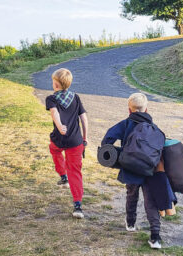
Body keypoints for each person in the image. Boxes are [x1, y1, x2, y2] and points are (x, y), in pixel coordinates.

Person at [101, 93, 164, 249]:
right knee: (151, 202)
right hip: (149, 170)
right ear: (146, 109)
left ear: (129, 110)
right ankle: (155, 237)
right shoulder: (153, 127)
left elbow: (107, 139)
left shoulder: (125, 124)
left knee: (131, 195)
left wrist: (116, 154)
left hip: (130, 167)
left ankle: (130, 223)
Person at [46, 68, 88, 219]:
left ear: (56, 84)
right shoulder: (75, 97)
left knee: (54, 150)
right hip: (76, 142)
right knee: (75, 171)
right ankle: (78, 206)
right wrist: (85, 138)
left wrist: (60, 127)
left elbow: (54, 113)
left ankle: (63, 176)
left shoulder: (52, 99)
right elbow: (84, 118)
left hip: (59, 139)